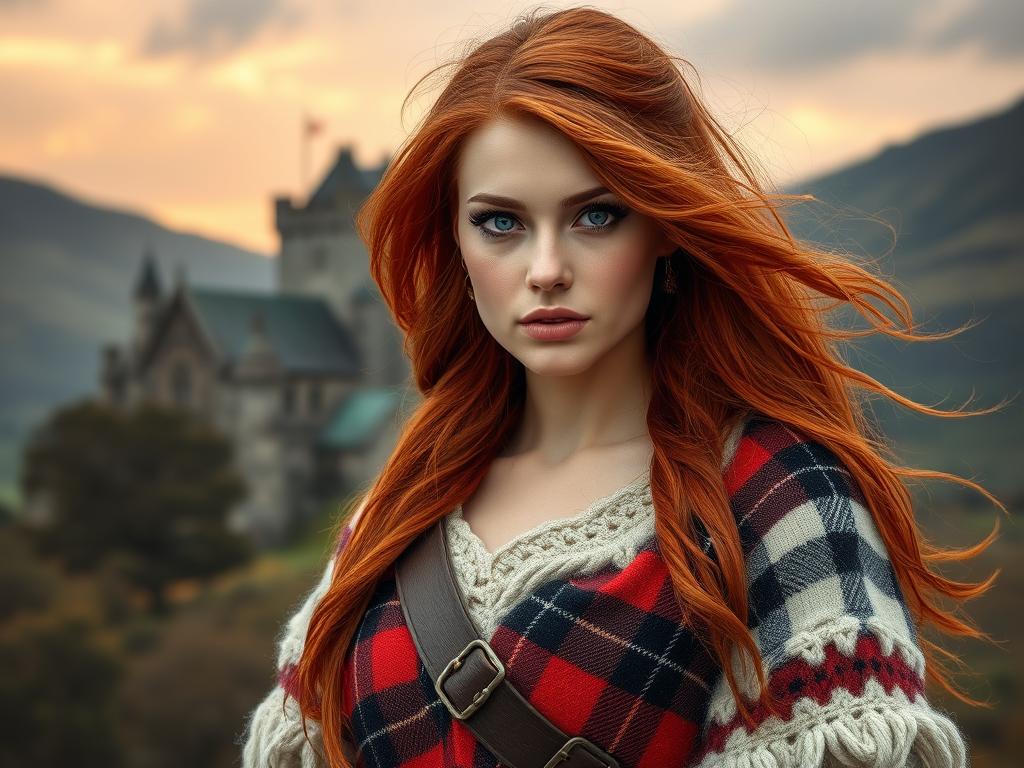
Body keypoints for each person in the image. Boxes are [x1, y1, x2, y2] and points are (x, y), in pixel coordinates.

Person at [240, 6, 1005, 767]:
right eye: (500, 223)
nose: (545, 269)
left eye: (596, 215)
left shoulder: (775, 498)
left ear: (665, 224)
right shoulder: (401, 503)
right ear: (454, 239)